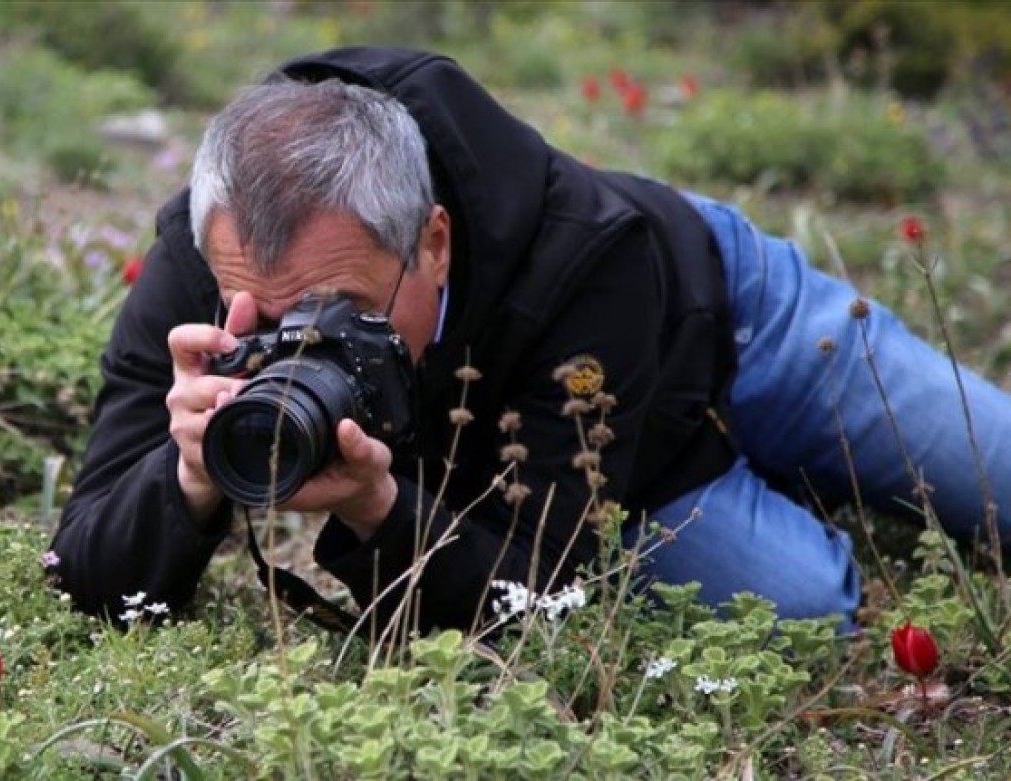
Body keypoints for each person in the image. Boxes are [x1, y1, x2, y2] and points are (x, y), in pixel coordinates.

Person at [50, 46, 1011, 634]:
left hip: (729, 313)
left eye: (339, 307)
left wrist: (388, 508)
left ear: (433, 240)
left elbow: (536, 576)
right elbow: (81, 565)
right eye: (262, 312)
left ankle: (787, 451)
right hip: (528, 441)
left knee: (994, 472)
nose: (295, 339)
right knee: (805, 607)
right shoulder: (211, 261)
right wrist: (191, 477)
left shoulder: (585, 252)